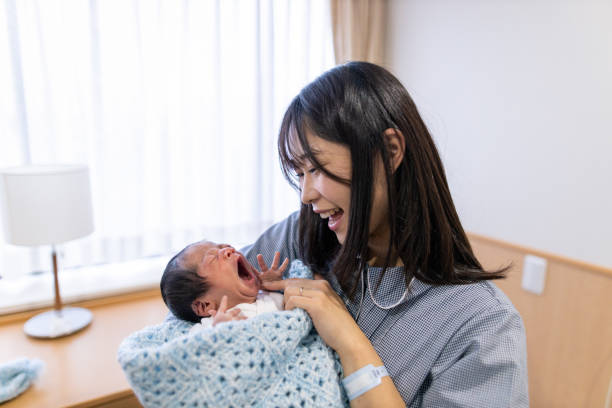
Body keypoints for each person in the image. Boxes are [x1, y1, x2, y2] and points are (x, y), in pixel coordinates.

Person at [240, 62, 529, 407]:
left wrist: (349, 339)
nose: (305, 195)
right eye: (299, 172)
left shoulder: (481, 327)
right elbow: (196, 311)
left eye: (315, 167)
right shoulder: (297, 239)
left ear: (390, 152)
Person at [160, 240, 289, 327]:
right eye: (214, 258)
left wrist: (276, 286)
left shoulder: (267, 296)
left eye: (221, 247)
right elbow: (200, 350)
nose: (229, 249)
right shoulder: (212, 325)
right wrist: (220, 332)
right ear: (204, 306)